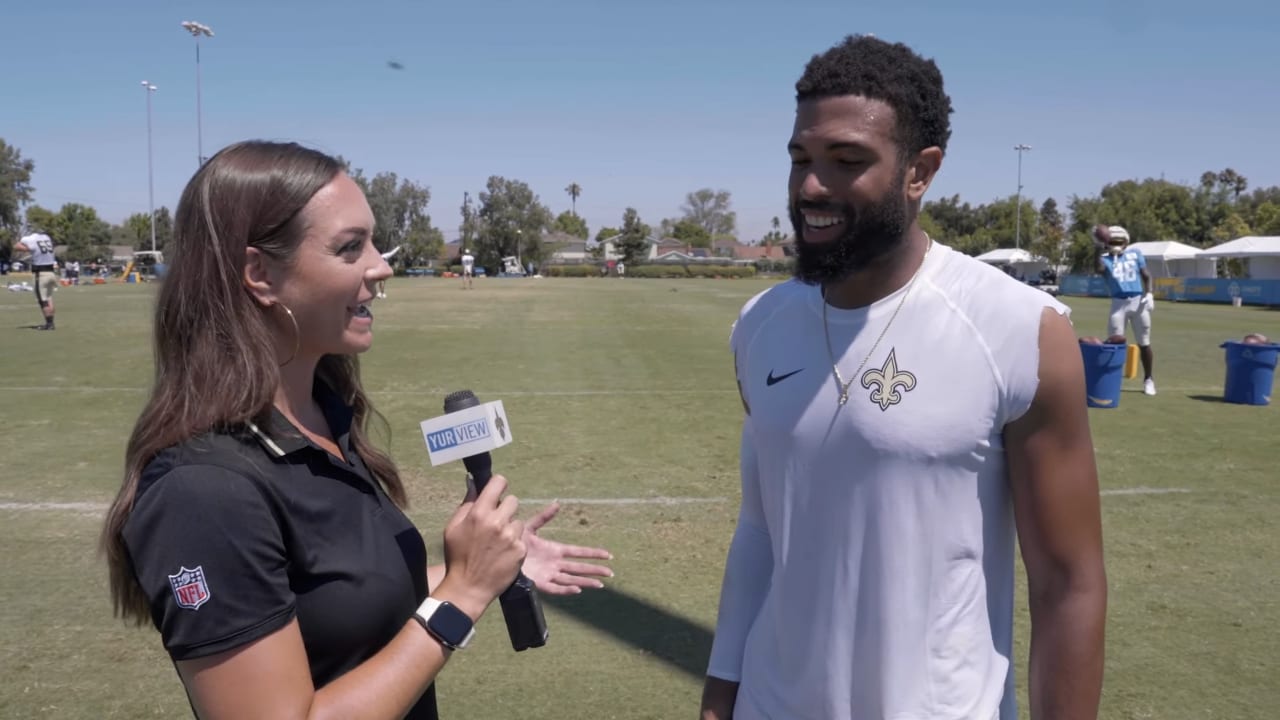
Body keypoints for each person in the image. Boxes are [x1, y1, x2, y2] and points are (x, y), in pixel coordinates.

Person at [99, 141, 613, 720]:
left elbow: (338, 596)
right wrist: (460, 595)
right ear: (259, 274)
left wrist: (483, 567)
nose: (382, 266)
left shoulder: (325, 419)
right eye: (350, 248)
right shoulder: (202, 491)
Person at [701, 36, 1107, 720]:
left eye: (846, 161)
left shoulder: (1017, 329)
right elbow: (761, 531)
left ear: (920, 171)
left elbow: (1069, 584)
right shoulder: (759, 326)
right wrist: (720, 697)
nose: (809, 186)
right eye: (801, 158)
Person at [1094, 224, 1156, 395]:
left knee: (1144, 342)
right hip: (1118, 303)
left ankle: (1149, 379)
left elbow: (1146, 274)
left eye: (1119, 240)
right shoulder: (1105, 259)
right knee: (1114, 343)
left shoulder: (1135, 254)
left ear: (1126, 241)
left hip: (1138, 302)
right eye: (1112, 240)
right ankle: (1111, 380)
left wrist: (1149, 293)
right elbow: (1098, 268)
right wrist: (1098, 247)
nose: (1116, 243)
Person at [10, 229, 59, 330]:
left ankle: (49, 324)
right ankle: (51, 322)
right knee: (49, 298)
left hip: (41, 274)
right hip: (51, 272)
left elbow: (16, 246)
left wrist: (28, 249)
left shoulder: (30, 238)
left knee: (42, 300)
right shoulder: (47, 238)